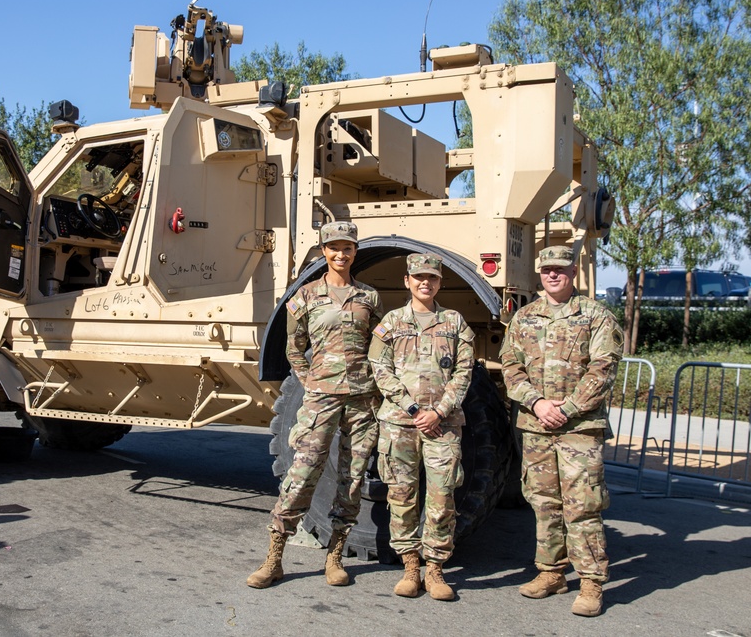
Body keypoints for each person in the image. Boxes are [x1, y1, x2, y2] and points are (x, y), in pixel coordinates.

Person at [247, 221, 383, 589]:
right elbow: (294, 347)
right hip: (321, 399)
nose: (342, 254)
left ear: (355, 252)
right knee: (302, 474)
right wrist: (311, 382)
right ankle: (274, 558)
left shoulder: (369, 297)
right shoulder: (304, 296)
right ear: (324, 251)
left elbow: (379, 346)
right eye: (334, 247)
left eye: (348, 247)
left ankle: (334, 557)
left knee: (352, 480)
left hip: (361, 400)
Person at [499, 245, 623, 617]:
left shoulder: (596, 316)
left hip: (579, 427)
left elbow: (603, 369)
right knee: (543, 502)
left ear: (573, 271)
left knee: (583, 506)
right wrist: (537, 404)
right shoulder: (524, 318)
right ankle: (551, 572)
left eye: (561, 269)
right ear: (539, 273)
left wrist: (566, 409)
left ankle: (590, 583)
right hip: (537, 425)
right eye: (547, 269)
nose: (553, 275)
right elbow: (510, 365)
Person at [368, 253, 474, 600]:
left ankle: (436, 569)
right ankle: (411, 566)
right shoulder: (392, 323)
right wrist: (413, 408)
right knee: (401, 495)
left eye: (432, 278)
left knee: (442, 496)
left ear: (440, 282)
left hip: (443, 425)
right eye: (418, 277)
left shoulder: (455, 323)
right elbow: (380, 370)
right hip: (400, 423)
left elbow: (464, 372)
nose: (425, 283)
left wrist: (439, 411)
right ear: (407, 281)